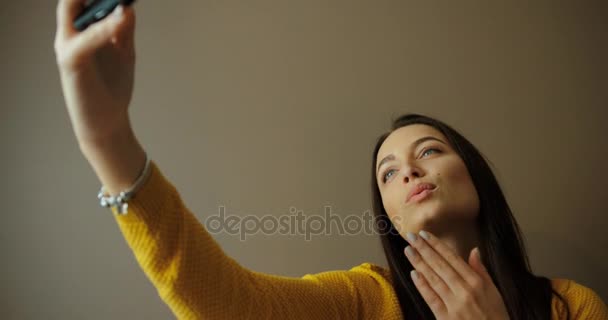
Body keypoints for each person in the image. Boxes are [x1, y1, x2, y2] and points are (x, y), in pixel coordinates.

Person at [54, 1, 608, 319]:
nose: (408, 170)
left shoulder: (572, 305)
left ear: (476, 177)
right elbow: (229, 304)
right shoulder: (368, 300)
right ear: (388, 214)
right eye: (387, 173)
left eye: (430, 151)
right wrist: (107, 138)